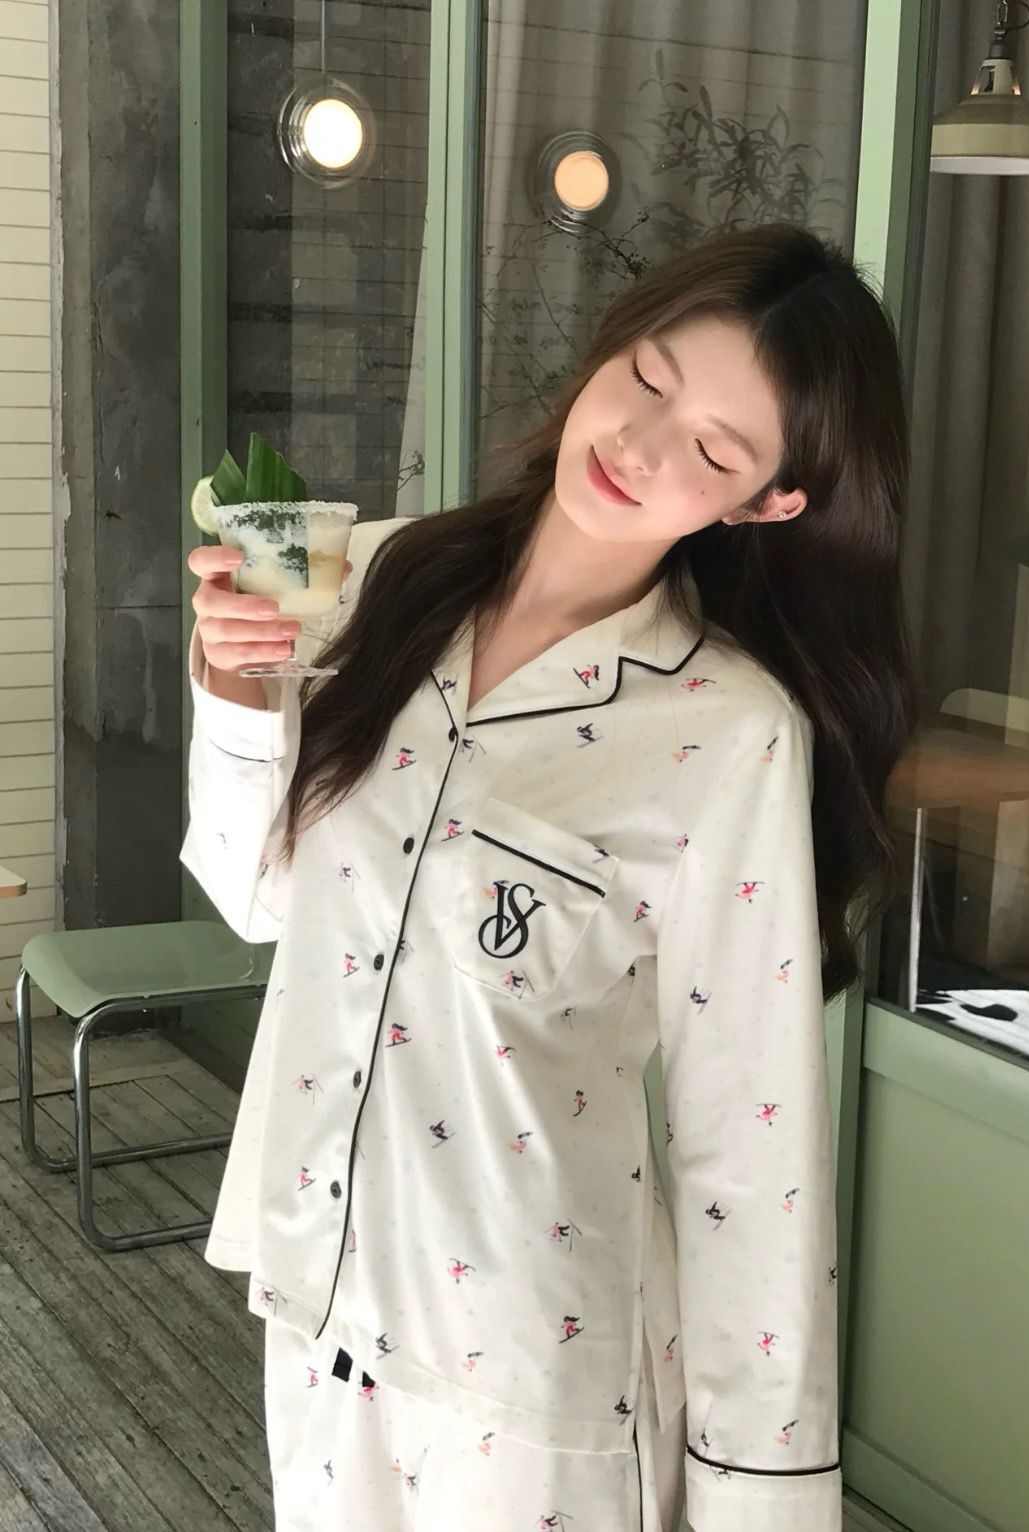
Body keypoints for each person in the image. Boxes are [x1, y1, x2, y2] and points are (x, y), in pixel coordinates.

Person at [182, 222, 917, 1532]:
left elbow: (750, 1148)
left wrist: (759, 1498)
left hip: (527, 1382)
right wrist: (237, 692)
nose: (641, 447)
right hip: (320, 1306)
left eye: (715, 450)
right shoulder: (381, 577)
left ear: (766, 504)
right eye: (647, 379)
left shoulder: (729, 734)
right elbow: (262, 899)